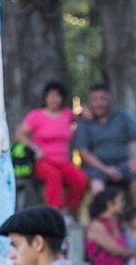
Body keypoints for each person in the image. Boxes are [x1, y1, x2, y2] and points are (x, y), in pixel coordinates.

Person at [15, 81, 87, 219]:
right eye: (50, 96)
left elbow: (82, 114)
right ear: (45, 98)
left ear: (62, 98)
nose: (54, 99)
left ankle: (67, 212)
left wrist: (84, 111)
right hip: (44, 161)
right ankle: (55, 213)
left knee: (80, 179)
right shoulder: (36, 115)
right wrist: (35, 148)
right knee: (53, 176)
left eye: (57, 96)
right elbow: (20, 134)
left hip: (64, 162)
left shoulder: (67, 114)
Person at [74, 83, 136, 206]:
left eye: (102, 99)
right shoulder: (84, 122)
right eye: (94, 99)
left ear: (109, 99)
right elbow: (84, 152)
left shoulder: (121, 116)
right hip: (96, 167)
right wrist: (106, 169)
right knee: (96, 183)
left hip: (122, 163)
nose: (98, 103)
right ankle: (104, 219)